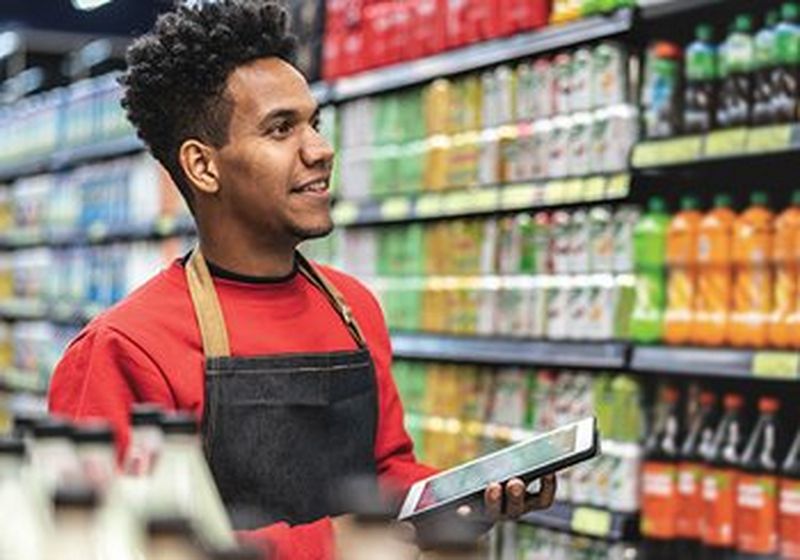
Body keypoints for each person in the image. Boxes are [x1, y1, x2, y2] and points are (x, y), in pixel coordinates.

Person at [47, 1, 556, 558]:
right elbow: (108, 546)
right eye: (281, 129)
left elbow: (386, 468)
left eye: (315, 122)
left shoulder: (353, 307)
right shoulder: (124, 347)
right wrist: (332, 541)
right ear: (202, 166)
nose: (320, 149)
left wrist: (457, 498)